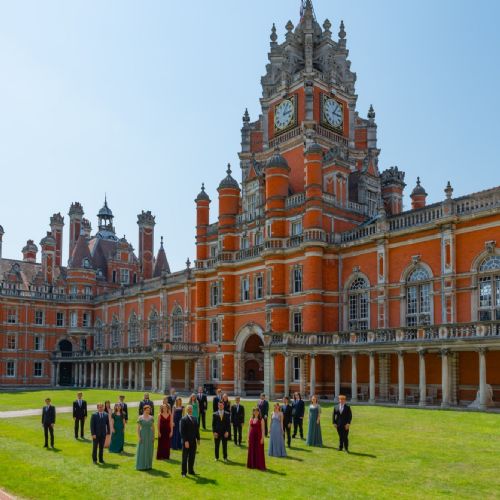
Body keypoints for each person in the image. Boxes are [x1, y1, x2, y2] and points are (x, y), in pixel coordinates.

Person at [180, 404, 200, 477]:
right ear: (186, 410)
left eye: (191, 409)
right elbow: (182, 432)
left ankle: (191, 471)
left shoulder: (195, 419)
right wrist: (185, 441)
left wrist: (198, 438)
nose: (190, 410)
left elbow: (196, 430)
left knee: (192, 457)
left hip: (193, 442)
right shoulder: (183, 419)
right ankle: (183, 472)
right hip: (186, 442)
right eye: (188, 409)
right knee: (185, 457)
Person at [136, 404, 155, 470]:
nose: (148, 411)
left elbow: (153, 428)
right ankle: (141, 465)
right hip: (143, 434)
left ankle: (148, 465)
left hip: (149, 435)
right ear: (144, 410)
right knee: (142, 450)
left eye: (149, 410)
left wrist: (153, 436)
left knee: (149, 450)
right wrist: (139, 437)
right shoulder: (140, 418)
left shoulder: (151, 418)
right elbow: (138, 429)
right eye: (147, 410)